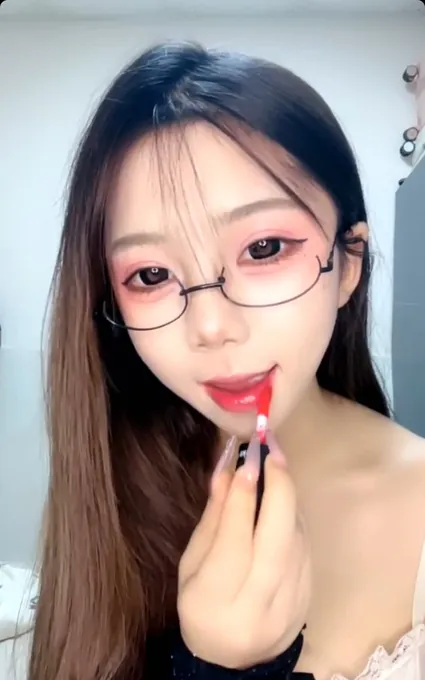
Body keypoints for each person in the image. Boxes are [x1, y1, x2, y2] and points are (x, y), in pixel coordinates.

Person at [26, 41, 425, 680]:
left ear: (348, 263)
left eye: (264, 248)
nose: (211, 328)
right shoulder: (107, 486)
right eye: (151, 275)